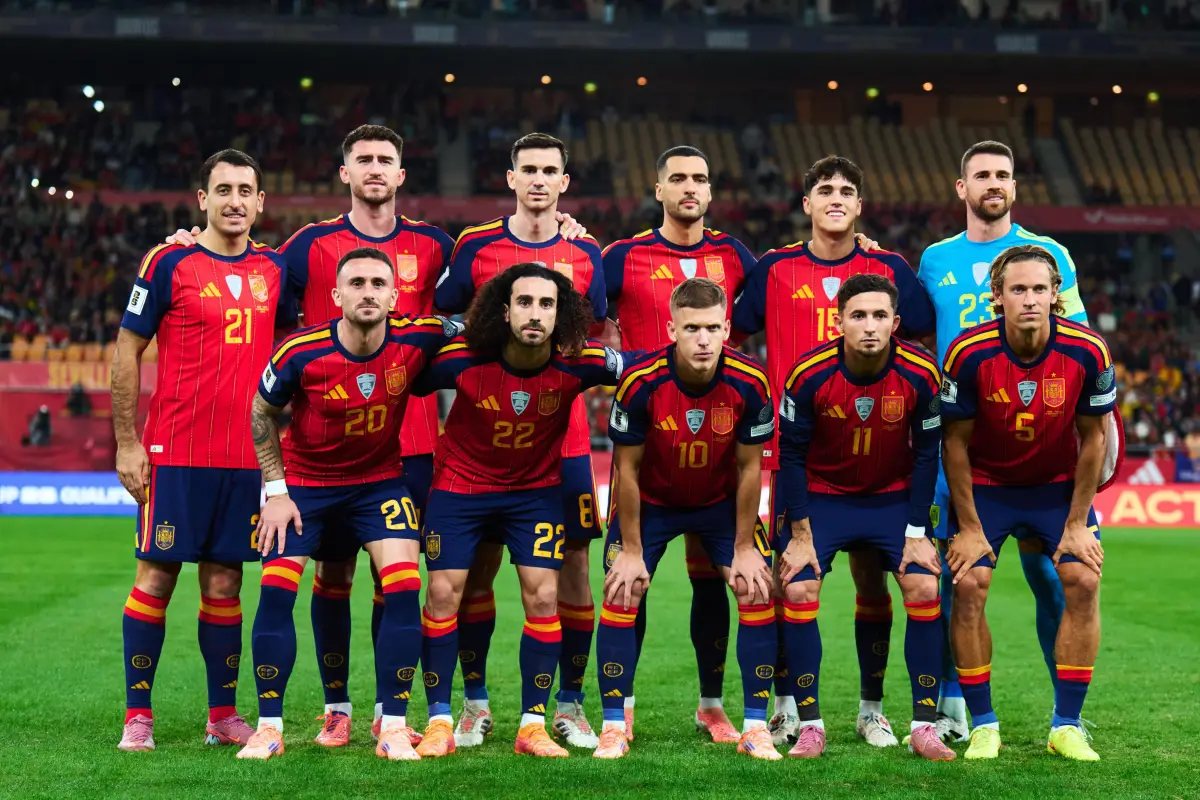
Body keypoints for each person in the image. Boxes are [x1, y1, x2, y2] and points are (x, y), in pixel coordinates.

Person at [162, 125, 589, 743]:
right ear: (345, 172)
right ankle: (336, 709)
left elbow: (482, 309)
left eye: (385, 158)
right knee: (333, 578)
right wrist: (193, 241)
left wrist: (562, 229)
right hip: (323, 451)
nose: (375, 168)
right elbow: (250, 270)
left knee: (409, 586)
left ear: (401, 172)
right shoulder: (309, 245)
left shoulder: (439, 245)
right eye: (362, 158)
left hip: (410, 449)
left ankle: (402, 714)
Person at [733, 155, 936, 748]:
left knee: (876, 585)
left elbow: (925, 324)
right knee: (787, 584)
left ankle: (876, 712)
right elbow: (732, 330)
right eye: (825, 190)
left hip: (880, 459)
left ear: (860, 205)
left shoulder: (887, 267)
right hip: (798, 457)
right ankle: (790, 709)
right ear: (807, 204)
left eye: (848, 190)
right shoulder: (774, 267)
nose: (836, 198)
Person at [235, 248, 460, 761]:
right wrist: (276, 492)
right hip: (306, 485)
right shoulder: (300, 351)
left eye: (378, 283)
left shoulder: (420, 335)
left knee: (404, 587)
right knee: (276, 592)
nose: (368, 292)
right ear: (336, 295)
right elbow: (260, 411)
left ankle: (393, 724)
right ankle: (274, 726)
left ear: (395, 295)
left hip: (378, 483)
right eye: (356, 283)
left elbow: (485, 328)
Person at [113, 149, 291, 752]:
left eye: (245, 191)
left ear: (260, 202)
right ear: (202, 199)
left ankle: (222, 715)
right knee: (156, 578)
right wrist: (128, 442)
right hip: (175, 452)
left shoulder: (275, 268)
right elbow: (127, 349)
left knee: (224, 586)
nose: (234, 201)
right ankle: (138, 716)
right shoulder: (169, 261)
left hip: (245, 457)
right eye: (223, 190)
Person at [434, 133, 607, 749]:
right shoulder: (476, 245)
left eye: (549, 170)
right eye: (528, 169)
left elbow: (595, 332)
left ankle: (569, 705)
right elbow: (443, 319)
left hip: (566, 443)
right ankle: (474, 703)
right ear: (511, 178)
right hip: (485, 446)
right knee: (474, 572)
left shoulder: (586, 250)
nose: (538, 179)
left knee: (573, 573)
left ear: (565, 182)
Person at [412, 263, 624, 759]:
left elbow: (645, 370)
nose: (535, 313)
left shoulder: (581, 361)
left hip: (533, 492)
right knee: (443, 593)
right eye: (524, 302)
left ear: (561, 314)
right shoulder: (461, 358)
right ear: (504, 311)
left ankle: (533, 725)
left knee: (545, 597)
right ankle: (442, 718)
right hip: (461, 488)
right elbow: (402, 375)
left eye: (547, 304)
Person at [917, 140, 1091, 742]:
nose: (993, 183)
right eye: (982, 175)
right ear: (961, 188)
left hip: (1039, 440)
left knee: (1054, 579)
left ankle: (1067, 713)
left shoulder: (1050, 255)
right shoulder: (934, 260)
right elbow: (912, 329)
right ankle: (953, 705)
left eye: (1003, 175)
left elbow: (1078, 343)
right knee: (956, 578)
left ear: (1015, 186)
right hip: (964, 441)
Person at [600, 147, 759, 742]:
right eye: (678, 178)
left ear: (711, 191)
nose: (690, 187)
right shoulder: (622, 256)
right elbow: (581, 307)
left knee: (714, 582)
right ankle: (621, 708)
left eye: (700, 178)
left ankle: (713, 705)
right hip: (648, 442)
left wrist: (859, 247)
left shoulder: (736, 256)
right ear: (658, 188)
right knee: (627, 583)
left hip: (714, 450)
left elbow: (778, 292)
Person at [940, 244, 1113, 761]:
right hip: (987, 486)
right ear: (997, 296)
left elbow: (1095, 438)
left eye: (1040, 288)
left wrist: (1077, 523)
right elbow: (954, 443)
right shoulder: (968, 353)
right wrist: (969, 527)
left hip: (1054, 488)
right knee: (968, 583)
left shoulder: (1089, 351)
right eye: (1018, 289)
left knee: (1083, 579)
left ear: (1056, 294)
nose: (1030, 299)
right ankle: (983, 725)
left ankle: (1067, 726)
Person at [593, 278, 778, 760]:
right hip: (651, 501)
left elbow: (750, 468)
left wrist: (744, 547)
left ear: (727, 329)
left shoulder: (750, 381)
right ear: (672, 329)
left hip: (718, 503)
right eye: (692, 328)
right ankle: (615, 721)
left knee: (755, 587)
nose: (703, 339)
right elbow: (627, 469)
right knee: (623, 588)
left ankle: (748, 724)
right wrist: (632, 551)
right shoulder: (640, 382)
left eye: (712, 328)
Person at [774, 274, 954, 761]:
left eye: (879, 316)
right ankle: (809, 724)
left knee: (924, 586)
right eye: (858, 315)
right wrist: (800, 534)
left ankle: (919, 724)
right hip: (823, 497)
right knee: (797, 589)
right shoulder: (808, 374)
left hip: (891, 499)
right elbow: (790, 455)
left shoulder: (921, 372)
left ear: (895, 322)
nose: (869, 326)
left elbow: (927, 454)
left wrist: (917, 533)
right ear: (839, 322)